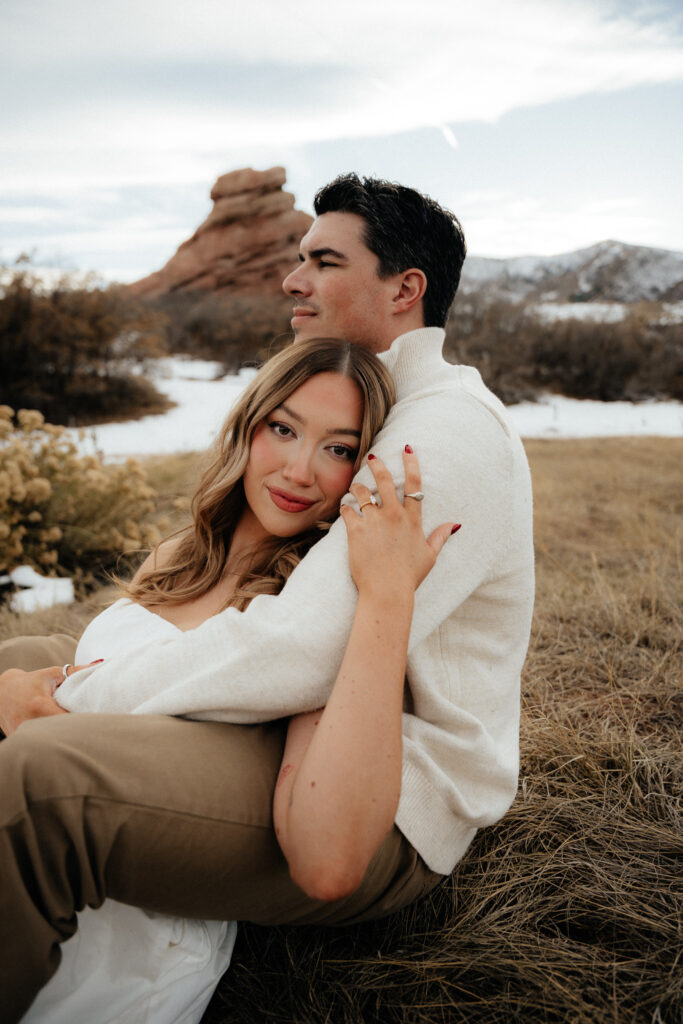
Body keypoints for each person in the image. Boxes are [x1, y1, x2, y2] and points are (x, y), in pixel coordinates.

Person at [0, 174, 535, 1022]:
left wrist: (66, 697)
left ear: (404, 290)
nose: (292, 281)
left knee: (38, 770)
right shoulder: (389, 402)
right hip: (300, 728)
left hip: (377, 800)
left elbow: (302, 646)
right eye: (297, 261)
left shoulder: (445, 432)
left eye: (322, 262)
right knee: (16, 658)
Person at [18, 335, 447, 1023]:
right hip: (44, 854)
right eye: (283, 428)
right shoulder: (182, 557)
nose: (301, 471)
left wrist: (387, 595)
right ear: (248, 425)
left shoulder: (304, 615)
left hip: (125, 934)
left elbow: (330, 857)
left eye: (337, 449)